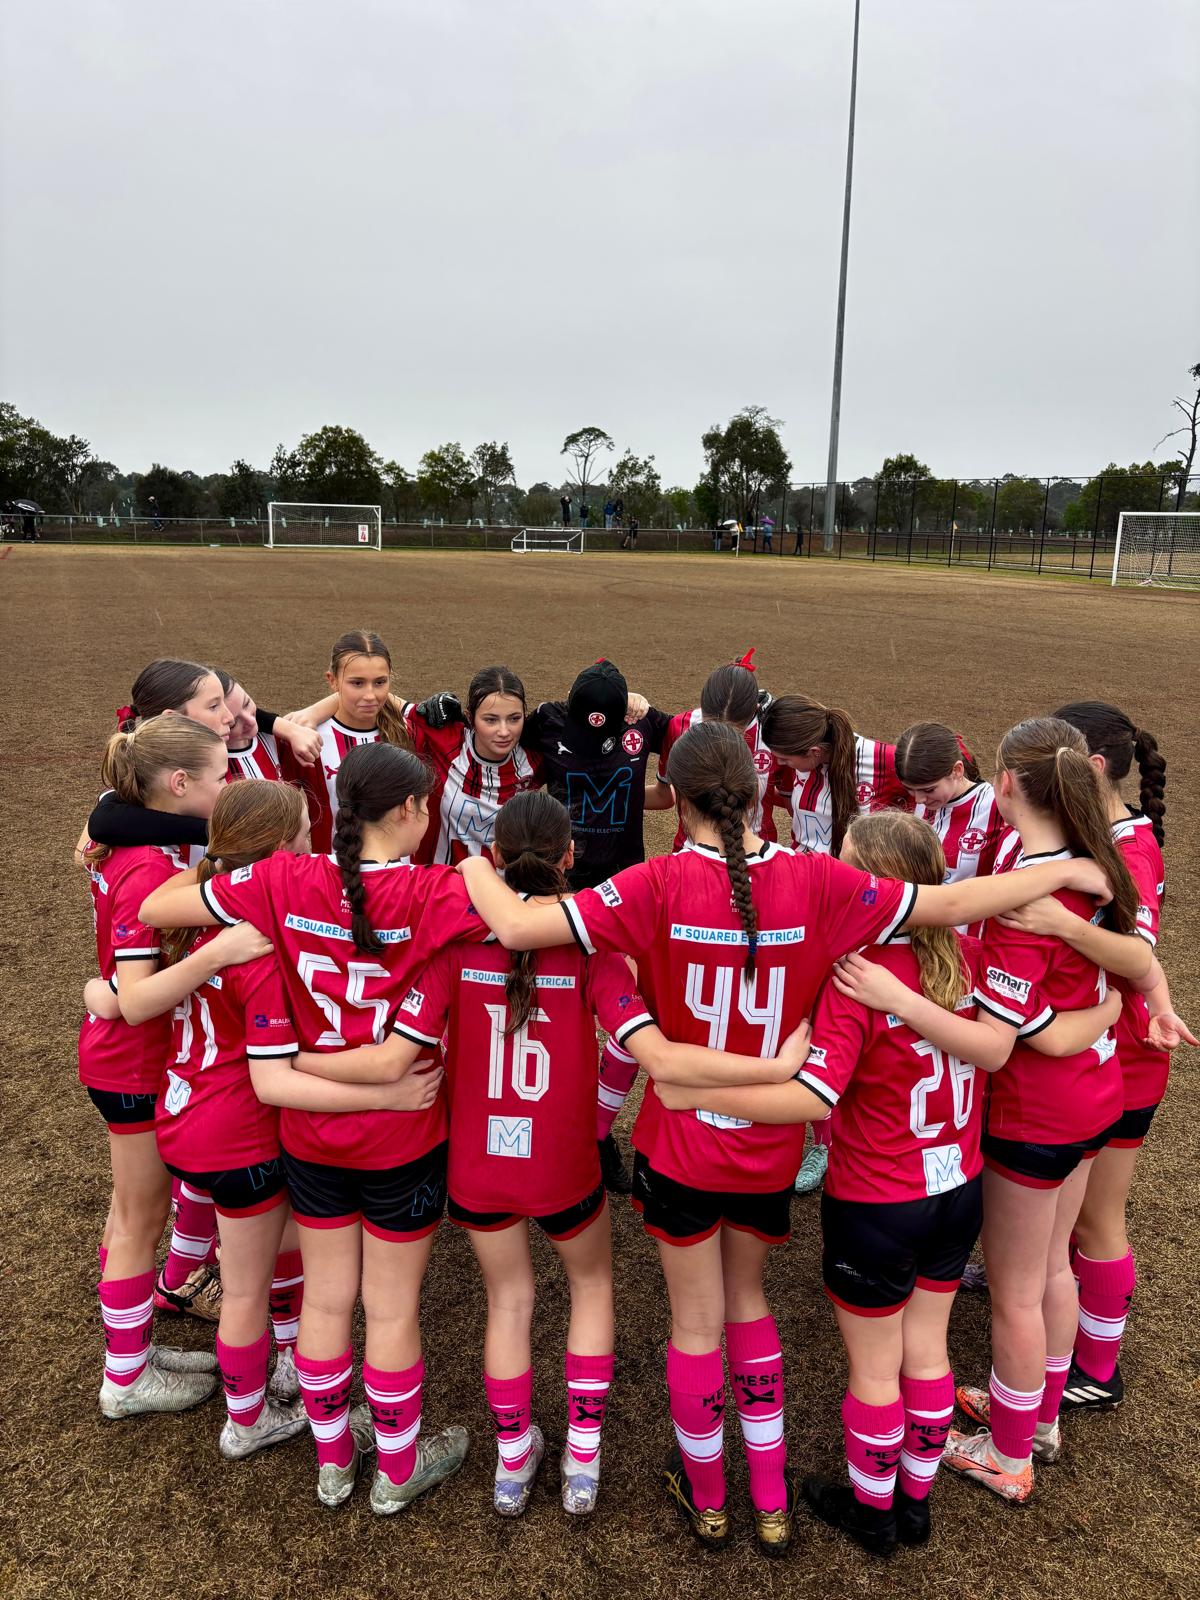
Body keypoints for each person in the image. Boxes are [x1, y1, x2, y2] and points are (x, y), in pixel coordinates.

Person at [456, 721, 1115, 1555]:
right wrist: (1070, 866)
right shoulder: (820, 881)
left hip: (683, 1147)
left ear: (678, 801)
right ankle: (770, 1501)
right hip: (769, 1155)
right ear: (763, 792)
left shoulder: (649, 884)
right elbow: (947, 902)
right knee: (752, 1308)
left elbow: (516, 932)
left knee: (695, 1328)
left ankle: (710, 1502)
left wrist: (476, 861)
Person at [686, 811, 1120, 1555]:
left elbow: (815, 1097)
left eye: (851, 865)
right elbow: (998, 1046)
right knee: (929, 1354)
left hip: (878, 1200)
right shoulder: (969, 952)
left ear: (878, 885)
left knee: (877, 1368)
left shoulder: (859, 973)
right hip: (957, 1193)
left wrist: (697, 1093)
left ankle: (875, 1510)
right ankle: (914, 1504)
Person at [138, 742, 488, 1514]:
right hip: (402, 1137)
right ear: (409, 810)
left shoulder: (283, 877)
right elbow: (527, 927)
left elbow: (157, 907)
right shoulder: (437, 893)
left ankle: (333, 1464)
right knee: (391, 1308)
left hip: (308, 1134)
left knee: (326, 1303)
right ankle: (396, 1470)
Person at [883, 718, 1151, 1505]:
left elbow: (997, 1045)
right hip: (1096, 1098)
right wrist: (1093, 1018)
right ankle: (1032, 1416)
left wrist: (905, 998)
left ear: (1004, 785)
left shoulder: (1030, 901)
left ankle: (1009, 1454)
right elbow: (1126, 968)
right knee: (1053, 1268)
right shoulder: (1090, 865)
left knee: (1017, 1291)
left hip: (1039, 1112)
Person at [99, 781, 314, 1457]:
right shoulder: (258, 942)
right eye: (306, 831)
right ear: (280, 851)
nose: (314, 840)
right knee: (252, 1283)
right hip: (241, 1132)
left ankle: (279, 1369)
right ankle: (250, 1420)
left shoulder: (185, 909)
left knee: (267, 1256)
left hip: (183, 1117)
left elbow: (122, 992)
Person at [1021, 703, 1193, 1411]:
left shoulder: (1130, 847)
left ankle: (1098, 1365)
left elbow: (1138, 954)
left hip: (1122, 1057)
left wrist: (1061, 923)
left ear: (1091, 769)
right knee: (1069, 1211)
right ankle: (1047, 1308)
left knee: (1099, 1217)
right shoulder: (1093, 836)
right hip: (1097, 1049)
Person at [79, 714, 235, 1419]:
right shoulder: (146, 865)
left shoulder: (135, 840)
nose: (230, 783)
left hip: (125, 1056)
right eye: (220, 774)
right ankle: (124, 1379)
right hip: (131, 1064)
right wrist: (212, 957)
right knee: (139, 1218)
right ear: (179, 783)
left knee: (132, 1213)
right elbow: (137, 998)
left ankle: (133, 1350)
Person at [407, 665, 543, 865]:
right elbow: (376, 701)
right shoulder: (444, 739)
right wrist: (417, 709)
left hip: (502, 890)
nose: (504, 731)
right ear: (470, 717)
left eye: (514, 719)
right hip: (439, 886)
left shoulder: (535, 759)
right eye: (491, 720)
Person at [656, 655, 777, 852]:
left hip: (755, 852)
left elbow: (791, 797)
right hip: (691, 850)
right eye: (710, 727)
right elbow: (665, 792)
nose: (720, 740)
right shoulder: (680, 726)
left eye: (735, 733)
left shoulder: (772, 736)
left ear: (754, 711)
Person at [895, 722, 1007, 914]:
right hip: (921, 926)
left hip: (970, 934)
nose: (919, 799)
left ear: (957, 770)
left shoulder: (998, 806)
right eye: (909, 789)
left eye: (928, 790)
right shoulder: (913, 802)